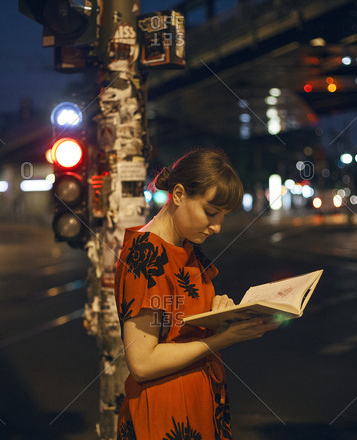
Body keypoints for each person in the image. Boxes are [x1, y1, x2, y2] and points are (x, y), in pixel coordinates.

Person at [114, 149, 279, 439]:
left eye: (223, 216)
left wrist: (218, 315)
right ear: (178, 194)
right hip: (165, 412)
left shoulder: (185, 246)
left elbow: (180, 324)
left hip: (196, 401)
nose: (216, 227)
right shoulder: (146, 254)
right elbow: (142, 362)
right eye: (211, 212)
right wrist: (221, 339)